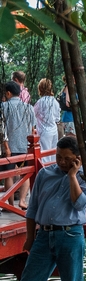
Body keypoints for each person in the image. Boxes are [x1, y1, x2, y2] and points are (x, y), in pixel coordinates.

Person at [0, 136, 86, 281]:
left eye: (67, 159)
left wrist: (72, 175)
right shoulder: (44, 174)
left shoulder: (85, 177)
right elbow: (32, 209)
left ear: (77, 159)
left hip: (70, 235)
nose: (61, 162)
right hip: (43, 236)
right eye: (58, 157)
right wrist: (30, 237)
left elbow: (81, 204)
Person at [1, 81, 35, 209]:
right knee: (24, 174)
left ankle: (10, 205)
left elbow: (2, 129)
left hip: (10, 147)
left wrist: (6, 147)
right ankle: (22, 201)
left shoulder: (3, 107)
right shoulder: (29, 107)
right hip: (25, 146)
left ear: (8, 93)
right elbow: (32, 129)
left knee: (9, 175)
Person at [33, 79, 60, 163]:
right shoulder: (55, 101)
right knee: (53, 153)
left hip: (43, 131)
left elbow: (33, 115)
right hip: (54, 130)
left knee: (44, 154)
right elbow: (57, 118)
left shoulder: (40, 102)